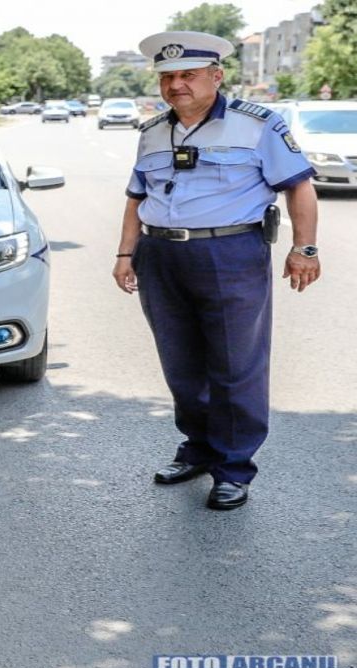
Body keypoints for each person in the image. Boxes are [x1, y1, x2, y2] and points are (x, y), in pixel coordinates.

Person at [112, 31, 320, 510]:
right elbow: (136, 199)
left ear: (217, 76)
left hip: (230, 254)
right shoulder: (151, 132)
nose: (176, 85)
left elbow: (299, 187)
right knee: (181, 363)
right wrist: (125, 255)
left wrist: (305, 249)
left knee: (235, 364)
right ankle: (199, 448)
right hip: (160, 255)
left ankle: (233, 467)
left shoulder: (258, 124)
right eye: (167, 77)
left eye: (188, 75)